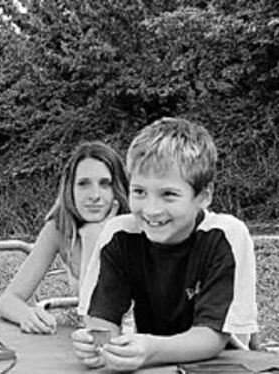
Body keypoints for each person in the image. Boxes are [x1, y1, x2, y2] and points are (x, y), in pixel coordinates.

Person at [73, 118, 258, 371]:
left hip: (221, 365)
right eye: (139, 192)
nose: (151, 209)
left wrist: (150, 350)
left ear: (203, 196)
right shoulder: (119, 234)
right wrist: (100, 344)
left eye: (168, 194)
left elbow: (213, 337)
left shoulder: (226, 236)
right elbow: (102, 316)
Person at [0, 141, 129, 334]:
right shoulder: (59, 229)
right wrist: (26, 315)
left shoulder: (135, 229)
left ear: (117, 188)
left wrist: (94, 237)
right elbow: (8, 299)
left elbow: (94, 315)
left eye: (104, 184)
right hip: (97, 344)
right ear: (70, 189)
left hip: (144, 344)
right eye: (83, 184)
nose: (94, 195)